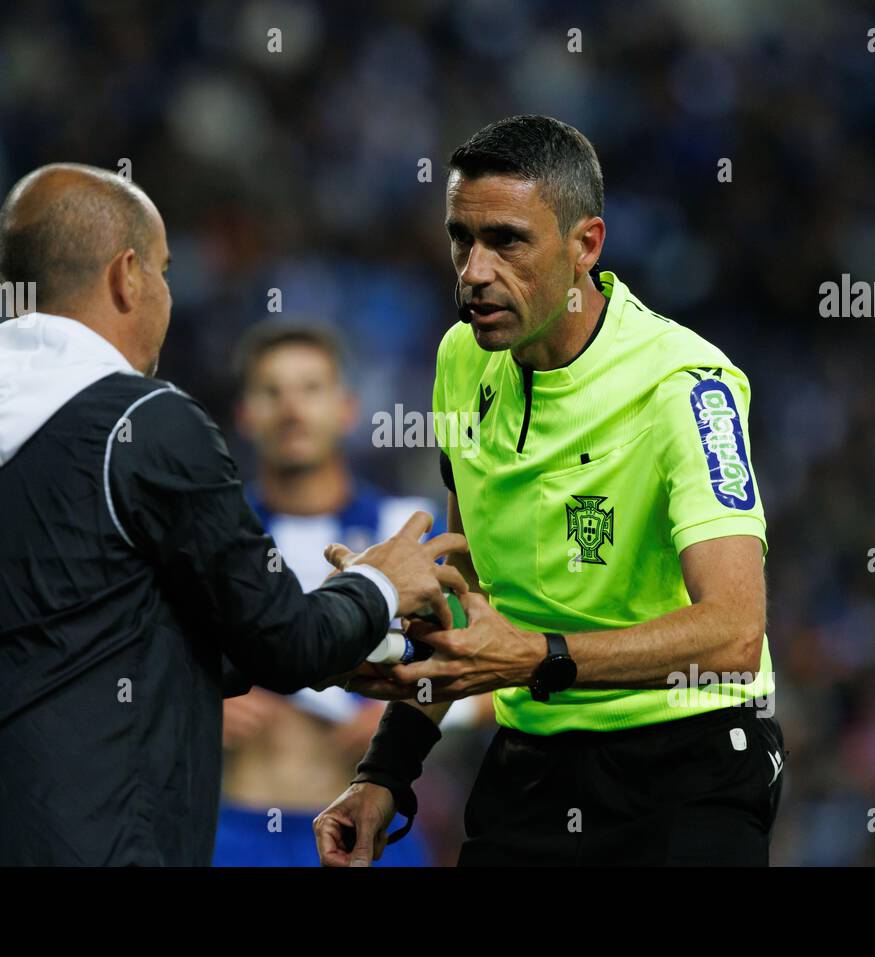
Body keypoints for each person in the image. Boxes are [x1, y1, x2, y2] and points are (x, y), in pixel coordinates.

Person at [0, 163, 467, 865]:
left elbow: (80, 638)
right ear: (127, 276)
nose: (168, 297)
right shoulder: (146, 420)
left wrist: (358, 647)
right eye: (165, 272)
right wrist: (379, 587)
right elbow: (287, 642)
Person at [314, 116, 786, 866]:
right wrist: (386, 771)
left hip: (689, 768)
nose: (473, 270)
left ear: (585, 245)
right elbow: (463, 584)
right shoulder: (461, 360)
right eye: (460, 238)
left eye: (506, 241)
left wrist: (536, 654)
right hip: (533, 763)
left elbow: (734, 631)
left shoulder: (684, 386)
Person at [213, 321, 471, 867]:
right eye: (271, 391)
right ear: (245, 414)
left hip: (370, 828)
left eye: (310, 389)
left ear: (347, 408)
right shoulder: (213, 536)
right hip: (235, 828)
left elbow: (491, 662)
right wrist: (197, 700)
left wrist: (409, 705)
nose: (291, 409)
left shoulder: (404, 529)